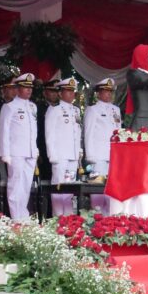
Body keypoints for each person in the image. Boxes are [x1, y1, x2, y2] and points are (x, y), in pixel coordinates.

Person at [0, 73, 38, 221]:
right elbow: (4, 131)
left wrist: (35, 149)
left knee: (26, 185)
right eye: (25, 87)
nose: (28, 90)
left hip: (30, 151)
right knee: (15, 185)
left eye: (30, 87)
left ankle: (23, 215)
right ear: (17, 88)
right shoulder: (9, 107)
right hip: (15, 151)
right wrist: (5, 153)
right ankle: (16, 217)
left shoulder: (33, 107)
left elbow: (33, 131)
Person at [45, 78, 82, 216]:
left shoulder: (76, 111)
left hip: (72, 155)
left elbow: (77, 133)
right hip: (59, 155)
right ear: (60, 93)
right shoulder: (54, 109)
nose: (71, 94)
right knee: (58, 187)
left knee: (70, 189)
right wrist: (52, 154)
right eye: (68, 91)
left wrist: (78, 152)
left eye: (73, 91)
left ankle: (68, 218)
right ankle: (57, 217)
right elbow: (49, 134)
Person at [84, 78, 121, 179]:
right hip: (98, 154)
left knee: (112, 184)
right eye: (105, 91)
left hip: (113, 153)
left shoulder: (116, 110)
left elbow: (119, 131)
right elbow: (88, 133)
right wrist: (90, 155)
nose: (108, 94)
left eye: (110, 91)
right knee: (98, 185)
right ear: (98, 93)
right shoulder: (92, 110)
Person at [36, 80, 60, 182]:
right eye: (52, 91)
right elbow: (36, 132)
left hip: (59, 151)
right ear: (45, 92)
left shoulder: (61, 109)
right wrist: (38, 152)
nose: (55, 94)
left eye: (56, 91)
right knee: (45, 180)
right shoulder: (38, 108)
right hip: (43, 151)